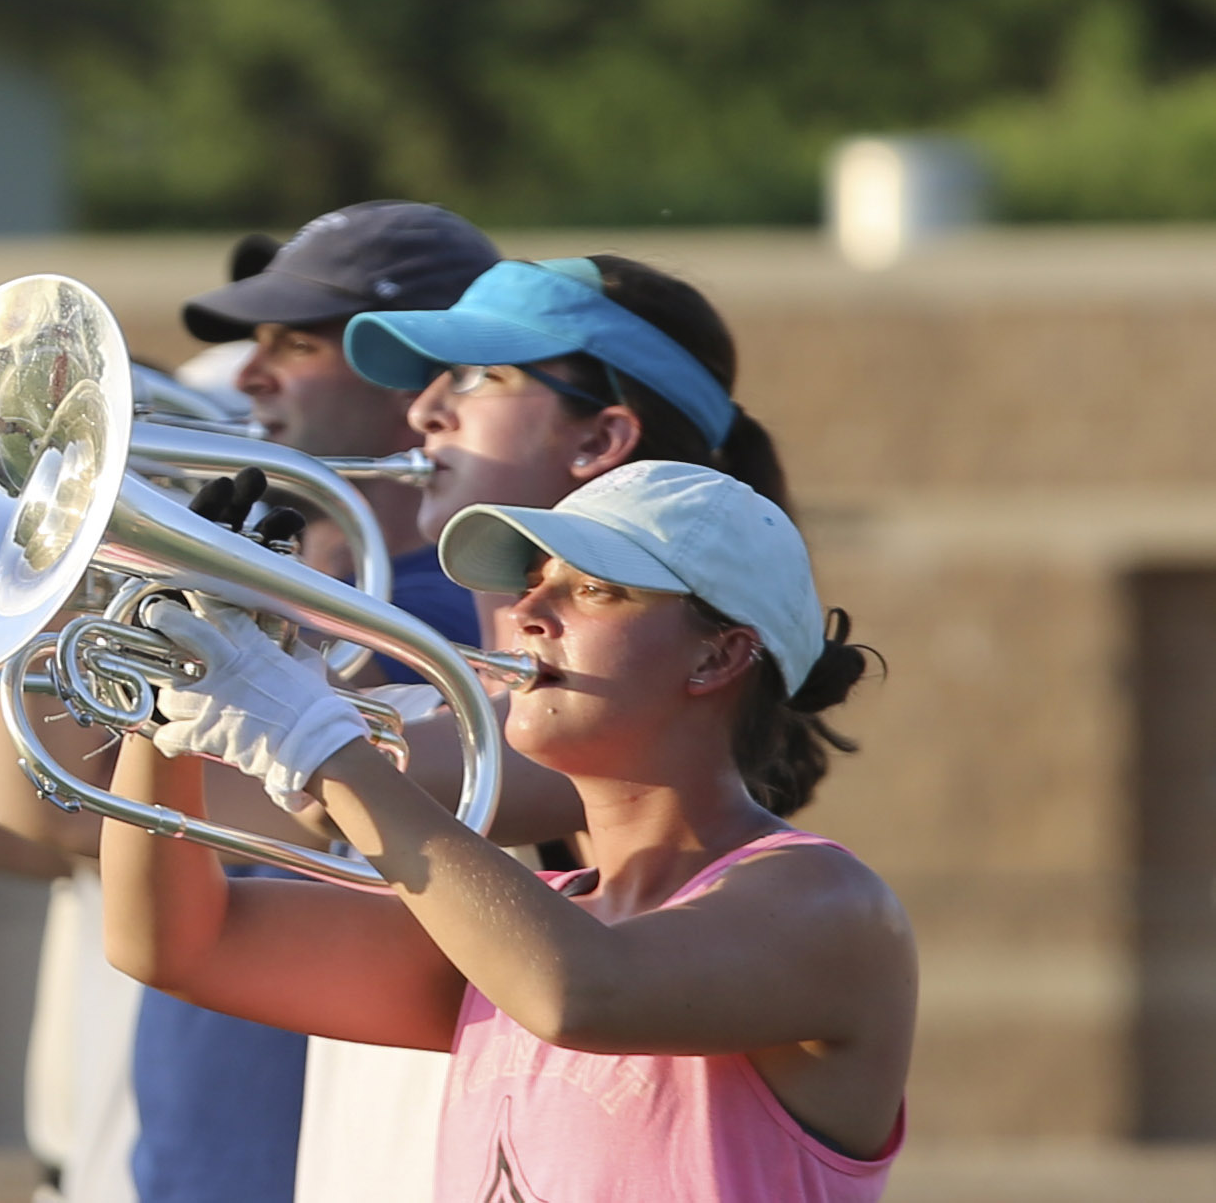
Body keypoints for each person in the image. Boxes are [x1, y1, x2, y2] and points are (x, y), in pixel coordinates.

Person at [103, 459, 916, 1201]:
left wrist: (313, 737)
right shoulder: (525, 926)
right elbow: (175, 943)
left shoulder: (828, 902)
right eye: (533, 581)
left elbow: (578, 993)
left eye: (593, 589)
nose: (527, 611)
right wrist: (167, 684)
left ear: (716, 657)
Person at [0, 201, 500, 1203]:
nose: (252, 375)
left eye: (297, 343)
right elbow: (39, 805)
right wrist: (15, 564)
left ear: (427, 372)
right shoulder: (307, 588)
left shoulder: (445, 619)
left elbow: (97, 815)